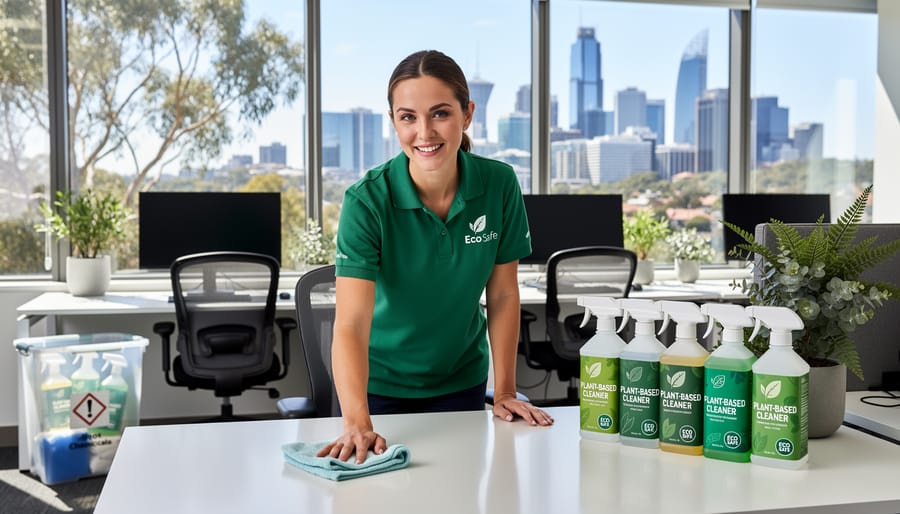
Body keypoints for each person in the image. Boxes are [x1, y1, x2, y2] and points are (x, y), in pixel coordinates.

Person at [319, 50, 554, 464]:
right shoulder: (367, 200)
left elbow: (502, 296)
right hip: (378, 390)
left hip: (460, 381)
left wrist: (503, 391)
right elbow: (351, 322)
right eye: (407, 117)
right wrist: (356, 419)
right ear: (393, 121)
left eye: (440, 113)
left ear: (467, 114)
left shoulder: (498, 184)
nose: (424, 132)